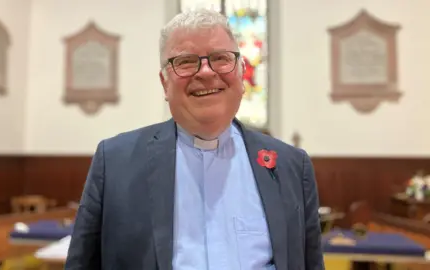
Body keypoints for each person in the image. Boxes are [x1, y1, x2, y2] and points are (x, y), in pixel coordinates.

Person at [65, 8, 324, 270]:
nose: (206, 72)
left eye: (220, 58)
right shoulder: (115, 163)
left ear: (242, 72)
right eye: (186, 61)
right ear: (165, 83)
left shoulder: (291, 166)